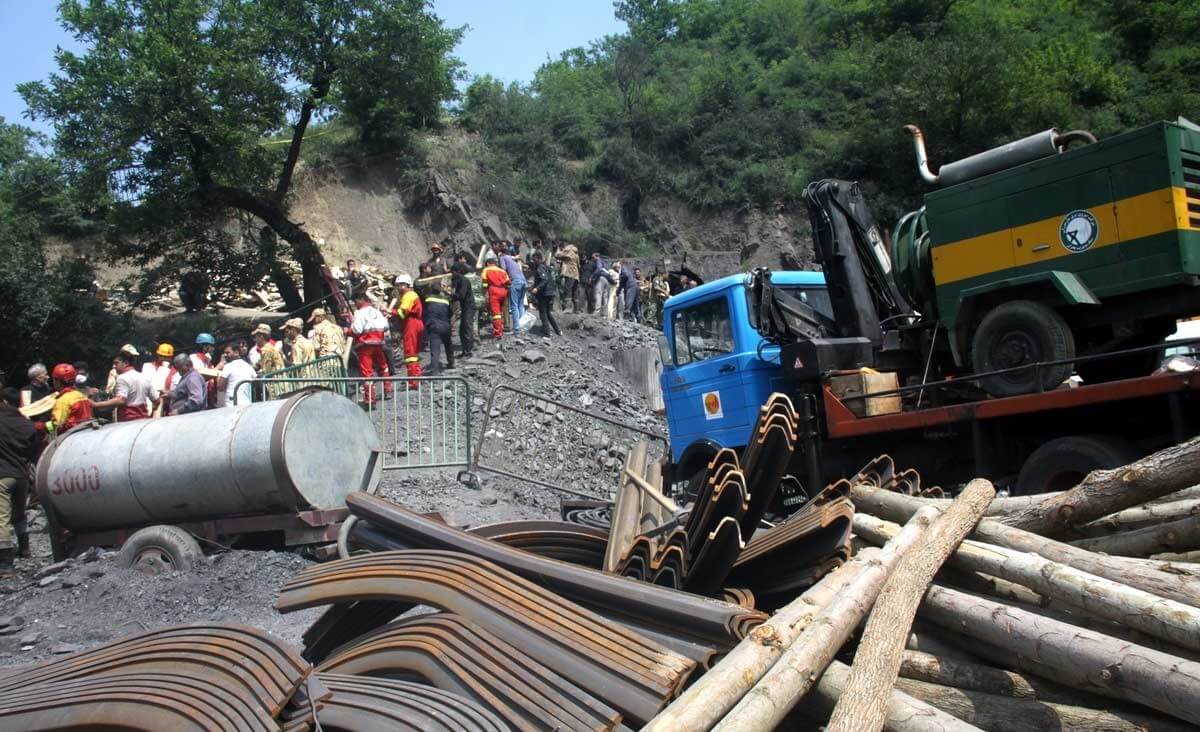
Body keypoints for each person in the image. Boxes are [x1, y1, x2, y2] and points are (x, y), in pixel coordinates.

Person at [0, 387, 37, 577]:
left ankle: (5, 565)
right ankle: (25, 549)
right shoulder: (26, 424)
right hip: (22, 476)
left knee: (1, 520)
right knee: (20, 514)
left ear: (4, 402)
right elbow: (34, 450)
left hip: (3, 476)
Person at [350, 291, 392, 405]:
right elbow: (386, 326)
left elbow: (356, 330)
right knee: (383, 367)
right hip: (378, 344)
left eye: (355, 302)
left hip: (365, 346)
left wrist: (347, 330)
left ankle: (370, 400)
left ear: (359, 300)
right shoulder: (376, 311)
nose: (355, 304)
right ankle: (388, 390)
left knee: (367, 373)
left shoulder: (359, 313)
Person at [91, 351, 153, 421]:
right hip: (144, 420)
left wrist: (96, 404)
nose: (113, 366)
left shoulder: (122, 378)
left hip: (128, 420)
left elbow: (121, 400)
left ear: (126, 363)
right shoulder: (144, 377)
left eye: (116, 363)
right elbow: (157, 400)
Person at [391, 274, 425, 386]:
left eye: (402, 285)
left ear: (408, 285)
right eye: (398, 285)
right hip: (416, 323)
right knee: (414, 353)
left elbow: (402, 312)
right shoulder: (412, 295)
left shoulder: (408, 295)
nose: (400, 288)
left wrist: (390, 312)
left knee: (410, 353)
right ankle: (417, 377)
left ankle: (413, 381)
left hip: (411, 324)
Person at [47, 363, 94, 434]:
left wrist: (42, 426)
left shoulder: (63, 400)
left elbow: (56, 426)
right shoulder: (82, 395)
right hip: (86, 432)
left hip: (72, 436)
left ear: (57, 381)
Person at [423, 282, 454, 375]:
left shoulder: (428, 299)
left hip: (434, 326)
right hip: (445, 325)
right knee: (448, 345)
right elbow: (451, 313)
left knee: (435, 349)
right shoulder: (446, 300)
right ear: (440, 290)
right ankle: (451, 363)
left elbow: (425, 312)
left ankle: (435, 371)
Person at [529, 252, 563, 337]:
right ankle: (558, 330)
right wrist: (534, 286)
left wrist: (537, 288)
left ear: (538, 258)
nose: (533, 261)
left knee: (543, 312)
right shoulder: (545, 267)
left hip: (545, 293)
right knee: (548, 312)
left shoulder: (540, 267)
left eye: (534, 259)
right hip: (550, 292)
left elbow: (544, 280)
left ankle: (547, 333)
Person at [141, 343, 178, 417]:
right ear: (157, 355)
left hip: (162, 403)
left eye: (167, 357)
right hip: (145, 401)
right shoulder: (146, 366)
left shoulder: (172, 371)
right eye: (162, 356)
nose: (164, 359)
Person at [216, 341, 256, 406]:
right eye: (224, 353)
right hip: (246, 403)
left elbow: (220, 387)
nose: (225, 355)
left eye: (227, 352)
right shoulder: (248, 366)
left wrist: (218, 378)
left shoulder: (228, 367)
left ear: (236, 352)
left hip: (232, 404)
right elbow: (255, 381)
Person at [498, 242, 527, 332]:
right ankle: (523, 327)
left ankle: (517, 328)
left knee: (514, 306)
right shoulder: (510, 258)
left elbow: (503, 270)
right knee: (520, 305)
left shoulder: (502, 257)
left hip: (516, 281)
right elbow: (514, 257)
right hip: (523, 281)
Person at [481, 256, 511, 340]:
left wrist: (485, 292)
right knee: (501, 312)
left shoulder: (486, 270)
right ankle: (502, 329)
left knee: (496, 314)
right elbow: (508, 282)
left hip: (494, 291)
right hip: (504, 291)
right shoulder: (502, 270)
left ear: (488, 263)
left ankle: (498, 334)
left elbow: (484, 282)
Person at [451, 262, 477, 358]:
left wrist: (450, 295)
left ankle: (468, 351)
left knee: (467, 328)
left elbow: (461, 295)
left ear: (457, 271)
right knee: (463, 329)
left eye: (453, 272)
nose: (452, 274)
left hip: (469, 306)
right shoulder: (459, 280)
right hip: (465, 306)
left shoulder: (463, 280)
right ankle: (465, 350)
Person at [555, 241, 581, 313]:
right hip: (576, 275)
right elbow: (579, 265)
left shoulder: (567, 251)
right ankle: (576, 309)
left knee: (568, 291)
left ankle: (568, 309)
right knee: (575, 292)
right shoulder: (576, 253)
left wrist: (558, 249)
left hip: (569, 274)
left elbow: (557, 255)